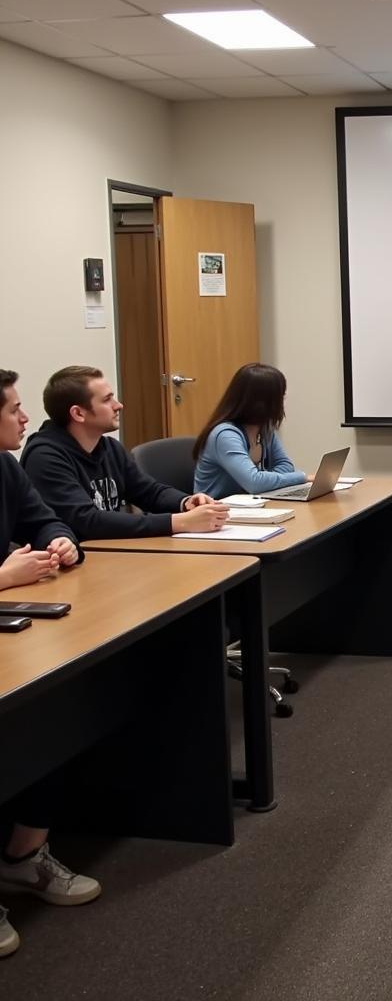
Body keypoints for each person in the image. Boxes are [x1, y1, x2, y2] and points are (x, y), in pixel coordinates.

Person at [0, 369, 97, 959]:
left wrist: (62, 541)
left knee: (58, 708)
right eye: (12, 408)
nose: (24, 417)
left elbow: (47, 520)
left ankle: (20, 858)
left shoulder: (7, 468)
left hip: (16, 626)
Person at [21, 366, 229, 539]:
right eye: (107, 400)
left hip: (114, 552)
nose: (118, 405)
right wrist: (177, 522)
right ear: (78, 413)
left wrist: (185, 502)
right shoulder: (45, 457)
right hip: (81, 558)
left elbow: (148, 491)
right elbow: (85, 521)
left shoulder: (109, 448)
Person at [193, 363, 309, 498]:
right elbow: (254, 483)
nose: (283, 401)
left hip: (250, 505)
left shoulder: (264, 429)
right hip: (217, 510)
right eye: (281, 396)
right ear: (264, 402)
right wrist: (302, 477)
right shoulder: (225, 435)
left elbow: (285, 465)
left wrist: (265, 480)